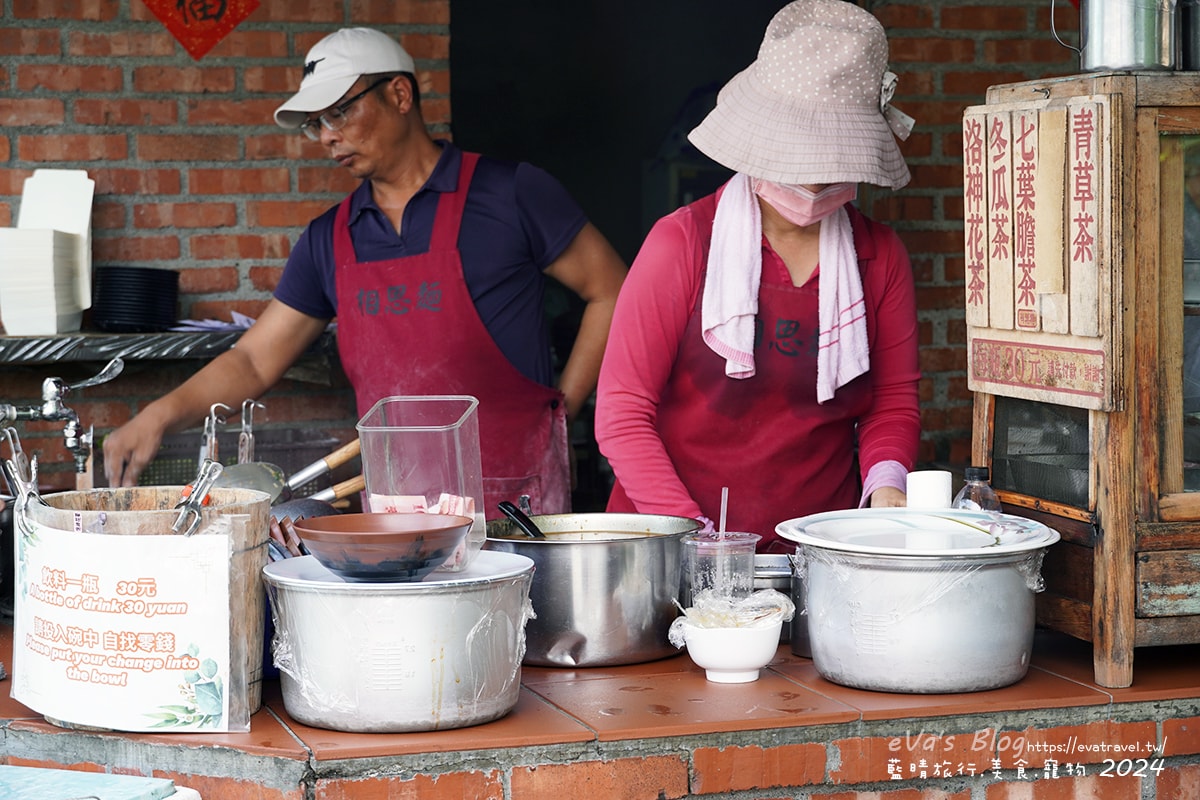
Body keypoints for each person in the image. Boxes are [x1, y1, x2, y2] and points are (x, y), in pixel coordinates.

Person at [103, 27, 628, 517]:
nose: (327, 137)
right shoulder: (330, 240)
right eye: (316, 124)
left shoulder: (511, 194)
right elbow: (254, 361)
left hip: (516, 501)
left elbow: (611, 289)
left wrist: (562, 410)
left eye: (339, 114)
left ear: (400, 95)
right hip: (396, 514)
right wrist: (158, 415)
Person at [594, 0, 921, 550]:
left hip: (819, 552)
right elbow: (622, 415)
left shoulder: (879, 256)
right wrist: (695, 540)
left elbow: (890, 403)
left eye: (833, 156)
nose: (816, 180)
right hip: (668, 544)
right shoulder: (681, 244)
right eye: (801, 154)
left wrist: (888, 488)